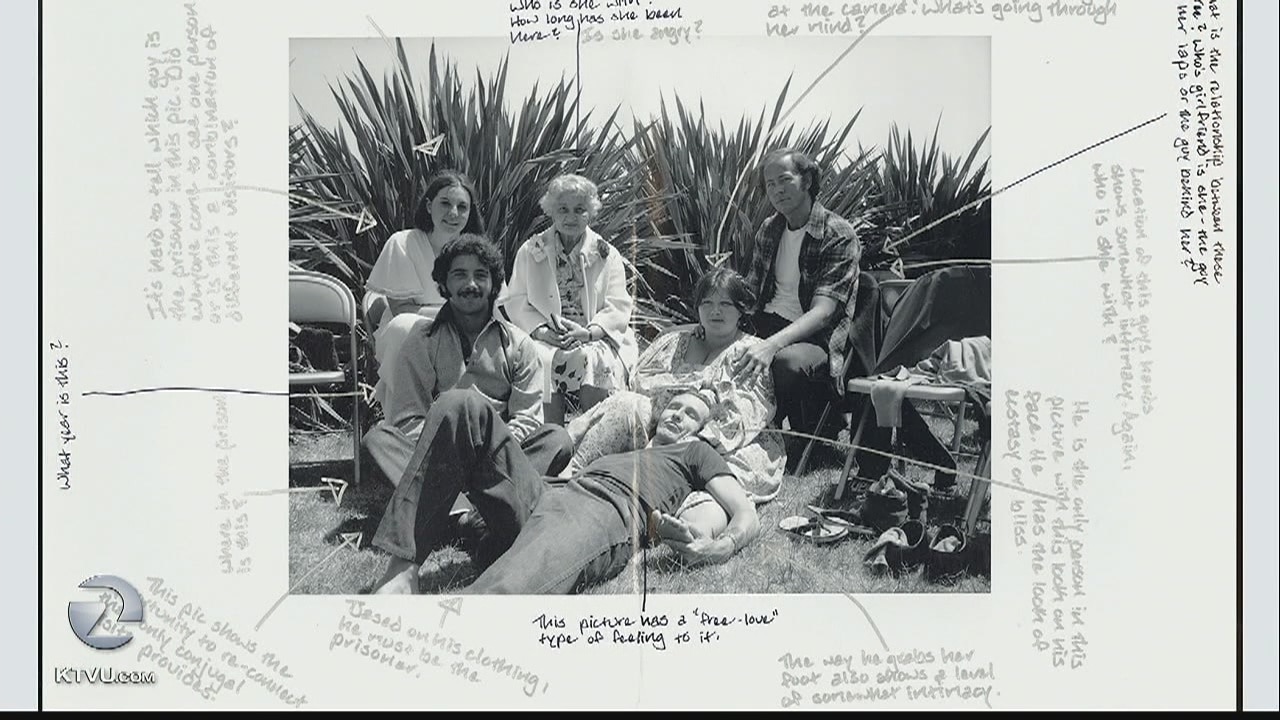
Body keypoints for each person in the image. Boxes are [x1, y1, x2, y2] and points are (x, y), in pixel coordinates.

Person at [370, 387, 760, 595]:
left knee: (503, 595)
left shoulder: (696, 453)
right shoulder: (630, 447)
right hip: (549, 493)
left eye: (691, 414)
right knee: (462, 404)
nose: (678, 415)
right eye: (675, 407)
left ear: (700, 429)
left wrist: (721, 545)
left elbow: (745, 512)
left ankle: (441, 642)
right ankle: (401, 572)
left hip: (602, 509)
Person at [362, 234, 572, 497]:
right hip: (439, 460)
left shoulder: (518, 344)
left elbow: (527, 419)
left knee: (556, 439)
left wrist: (489, 452)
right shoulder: (422, 341)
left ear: (494, 285)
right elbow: (409, 417)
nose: (471, 284)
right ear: (444, 284)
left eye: (481, 275)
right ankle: (483, 505)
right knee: (378, 441)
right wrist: (449, 451)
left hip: (498, 459)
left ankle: (454, 504)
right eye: (459, 275)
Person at [564, 267, 787, 510]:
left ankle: (674, 513)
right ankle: (570, 472)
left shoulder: (751, 353)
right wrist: (695, 393)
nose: (715, 311)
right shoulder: (675, 341)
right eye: (707, 303)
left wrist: (689, 421)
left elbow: (744, 414)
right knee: (628, 404)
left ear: (741, 309)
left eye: (725, 304)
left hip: (720, 440)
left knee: (711, 463)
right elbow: (640, 383)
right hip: (661, 423)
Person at [735, 149, 863, 465]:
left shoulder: (837, 232)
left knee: (786, 363)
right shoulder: (770, 229)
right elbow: (750, 292)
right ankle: (737, 433)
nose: (776, 190)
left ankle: (793, 438)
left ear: (806, 181)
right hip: (767, 322)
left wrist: (771, 345)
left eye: (784, 180)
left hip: (813, 337)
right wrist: (717, 322)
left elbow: (824, 312)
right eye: (770, 184)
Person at [498, 174, 638, 424]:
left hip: (593, 335)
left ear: (590, 213)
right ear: (551, 211)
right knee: (539, 358)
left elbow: (618, 304)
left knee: (594, 358)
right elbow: (516, 299)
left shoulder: (607, 254)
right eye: (563, 209)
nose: (571, 217)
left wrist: (590, 333)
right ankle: (551, 435)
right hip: (546, 336)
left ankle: (595, 431)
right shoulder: (531, 250)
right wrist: (541, 331)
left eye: (579, 209)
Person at [364, 171, 486, 406]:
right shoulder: (403, 243)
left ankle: (475, 416)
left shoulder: (477, 252)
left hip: (466, 331)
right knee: (404, 326)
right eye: (445, 203)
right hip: (413, 330)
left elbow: (491, 305)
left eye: (462, 207)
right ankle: (407, 416)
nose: (453, 213)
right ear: (429, 206)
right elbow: (402, 309)